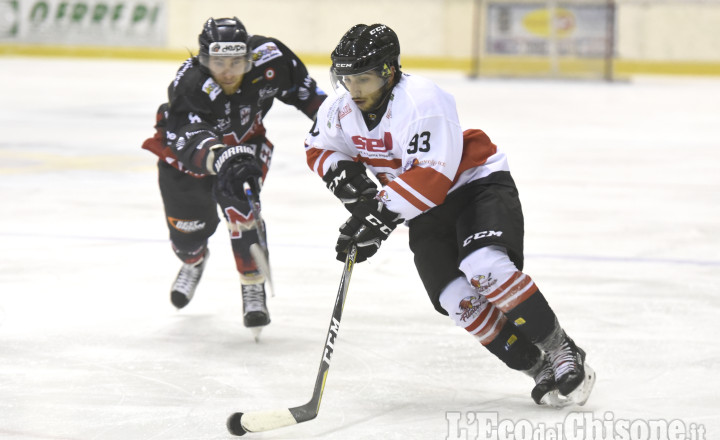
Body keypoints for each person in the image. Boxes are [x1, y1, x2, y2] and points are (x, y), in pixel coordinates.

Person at [304, 23, 595, 406]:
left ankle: (562, 350)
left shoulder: (422, 99)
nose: (354, 89)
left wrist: (375, 221)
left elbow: (431, 178)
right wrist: (358, 194)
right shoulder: (339, 109)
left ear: (389, 72)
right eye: (346, 79)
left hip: (476, 186)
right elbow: (319, 148)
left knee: (484, 267)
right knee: (455, 298)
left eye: (364, 79)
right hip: (422, 208)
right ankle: (538, 367)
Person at [142, 17, 326, 332]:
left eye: (236, 62)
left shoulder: (270, 58)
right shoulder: (191, 83)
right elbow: (190, 135)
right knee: (188, 235)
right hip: (189, 159)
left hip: (246, 147)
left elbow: (307, 95)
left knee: (242, 205)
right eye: (218, 62)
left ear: (249, 58)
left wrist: (344, 129)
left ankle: (252, 283)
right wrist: (221, 156)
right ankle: (193, 260)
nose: (228, 71)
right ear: (203, 60)